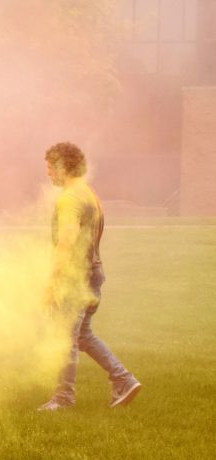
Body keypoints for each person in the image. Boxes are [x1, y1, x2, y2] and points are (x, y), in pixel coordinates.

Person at [38, 142, 141, 411]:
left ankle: (63, 398)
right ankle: (123, 380)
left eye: (50, 168)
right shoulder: (89, 194)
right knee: (83, 335)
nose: (48, 174)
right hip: (94, 271)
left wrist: (53, 283)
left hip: (76, 277)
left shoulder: (69, 198)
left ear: (62, 166)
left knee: (66, 337)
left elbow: (66, 243)